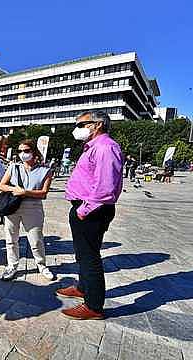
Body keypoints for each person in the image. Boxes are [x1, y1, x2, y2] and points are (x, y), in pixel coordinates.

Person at [56, 110, 123, 320]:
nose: (77, 129)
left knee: (90, 257)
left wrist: (84, 211)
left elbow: (106, 186)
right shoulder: (92, 147)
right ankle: (83, 287)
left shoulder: (105, 147)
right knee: (82, 253)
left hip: (91, 210)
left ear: (97, 125)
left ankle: (93, 306)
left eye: (82, 124)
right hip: (85, 207)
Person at [0, 139, 54, 281]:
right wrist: (14, 189)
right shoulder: (14, 167)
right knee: (11, 239)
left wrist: (25, 192)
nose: (23, 154)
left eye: (26, 151)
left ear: (34, 152)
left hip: (33, 207)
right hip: (13, 206)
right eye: (20, 151)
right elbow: (2, 185)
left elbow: (43, 193)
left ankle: (41, 265)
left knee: (36, 240)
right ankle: (12, 265)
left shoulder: (45, 170)